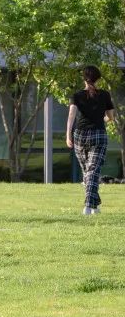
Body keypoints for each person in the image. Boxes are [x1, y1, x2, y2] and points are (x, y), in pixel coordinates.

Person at [66, 66, 115, 216]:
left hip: (80, 135)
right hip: (98, 135)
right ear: (98, 79)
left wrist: (68, 135)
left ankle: (91, 206)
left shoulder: (77, 95)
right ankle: (92, 205)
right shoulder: (105, 95)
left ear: (84, 79)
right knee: (92, 171)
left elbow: (71, 116)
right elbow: (111, 117)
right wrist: (101, 119)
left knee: (88, 172)